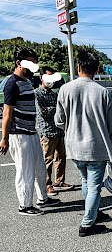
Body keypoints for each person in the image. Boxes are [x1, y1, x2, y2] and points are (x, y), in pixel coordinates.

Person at [55, 49, 112, 237]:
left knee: (85, 181)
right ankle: (87, 224)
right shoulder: (102, 92)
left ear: (79, 67)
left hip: (74, 147)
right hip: (95, 147)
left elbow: (59, 120)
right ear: (96, 70)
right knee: (94, 186)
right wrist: (109, 140)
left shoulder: (65, 89)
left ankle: (94, 212)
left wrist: (71, 128)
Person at [0, 46, 60, 215]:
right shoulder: (11, 84)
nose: (34, 67)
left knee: (39, 167)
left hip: (31, 132)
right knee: (25, 170)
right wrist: (4, 138)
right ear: (19, 63)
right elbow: (7, 113)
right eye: (30, 64)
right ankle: (25, 205)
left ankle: (43, 198)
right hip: (19, 134)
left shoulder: (26, 81)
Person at [35, 66, 73, 195]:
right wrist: (55, 109)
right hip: (46, 131)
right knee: (47, 159)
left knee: (61, 157)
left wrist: (52, 109)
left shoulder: (55, 94)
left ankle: (60, 181)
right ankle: (47, 184)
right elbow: (42, 113)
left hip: (59, 130)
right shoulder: (37, 94)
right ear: (41, 78)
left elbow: (62, 111)